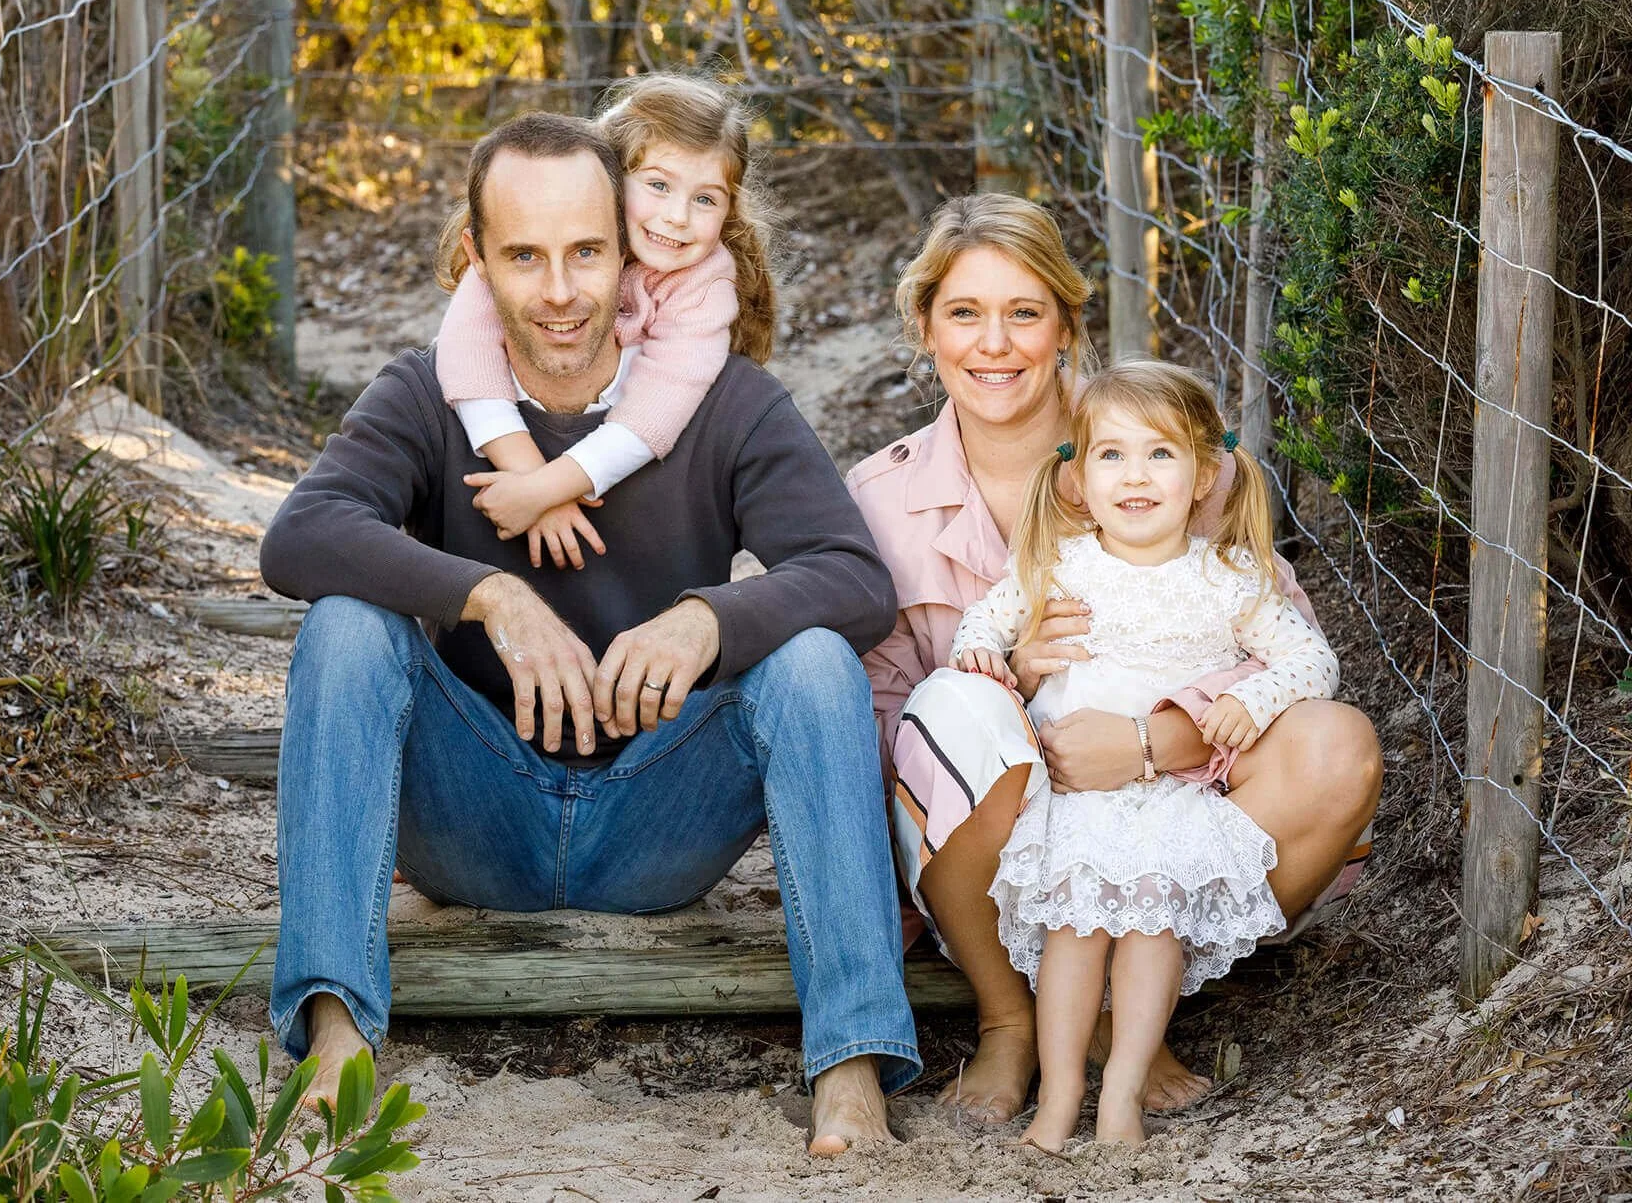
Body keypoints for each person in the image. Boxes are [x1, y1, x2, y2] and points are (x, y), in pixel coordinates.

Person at [259, 110, 921, 1156]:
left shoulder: (725, 403)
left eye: (583, 253)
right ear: (476, 258)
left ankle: (849, 1064)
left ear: (628, 249)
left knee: (814, 662)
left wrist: (708, 619)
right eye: (523, 256)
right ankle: (336, 1034)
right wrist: (490, 593)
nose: (560, 291)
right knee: (346, 627)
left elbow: (851, 578)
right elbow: (298, 538)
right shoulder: (425, 391)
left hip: (661, 813)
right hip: (475, 812)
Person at [846, 194, 1382, 1124]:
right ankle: (1011, 1016)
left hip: (1167, 812)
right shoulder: (881, 497)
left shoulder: (1154, 447)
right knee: (953, 705)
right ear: (924, 327)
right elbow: (885, 724)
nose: (995, 343)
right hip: (992, 841)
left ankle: (1130, 1013)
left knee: (1339, 744)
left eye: (1025, 312)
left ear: (1065, 324)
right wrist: (1013, 673)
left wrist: (1152, 741)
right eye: (965, 313)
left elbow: (1286, 651)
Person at [951, 361, 1338, 1149]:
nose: (1136, 476)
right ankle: (1061, 1099)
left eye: (1160, 455)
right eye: (1112, 456)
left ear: (1203, 475)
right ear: (1078, 479)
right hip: (1072, 799)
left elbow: (1313, 663)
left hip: (1169, 796)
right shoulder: (1058, 563)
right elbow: (978, 626)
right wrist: (989, 659)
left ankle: (1122, 1093)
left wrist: (1250, 698)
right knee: (1075, 933)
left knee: (1154, 926)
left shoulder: (1230, 577)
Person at [432, 73, 777, 571]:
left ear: (729, 210)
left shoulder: (705, 285)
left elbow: (656, 410)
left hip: (644, 498)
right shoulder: (530, 252)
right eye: (658, 185)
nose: (677, 216)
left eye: (705, 198)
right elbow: (464, 355)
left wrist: (546, 490)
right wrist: (529, 476)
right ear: (611, 178)